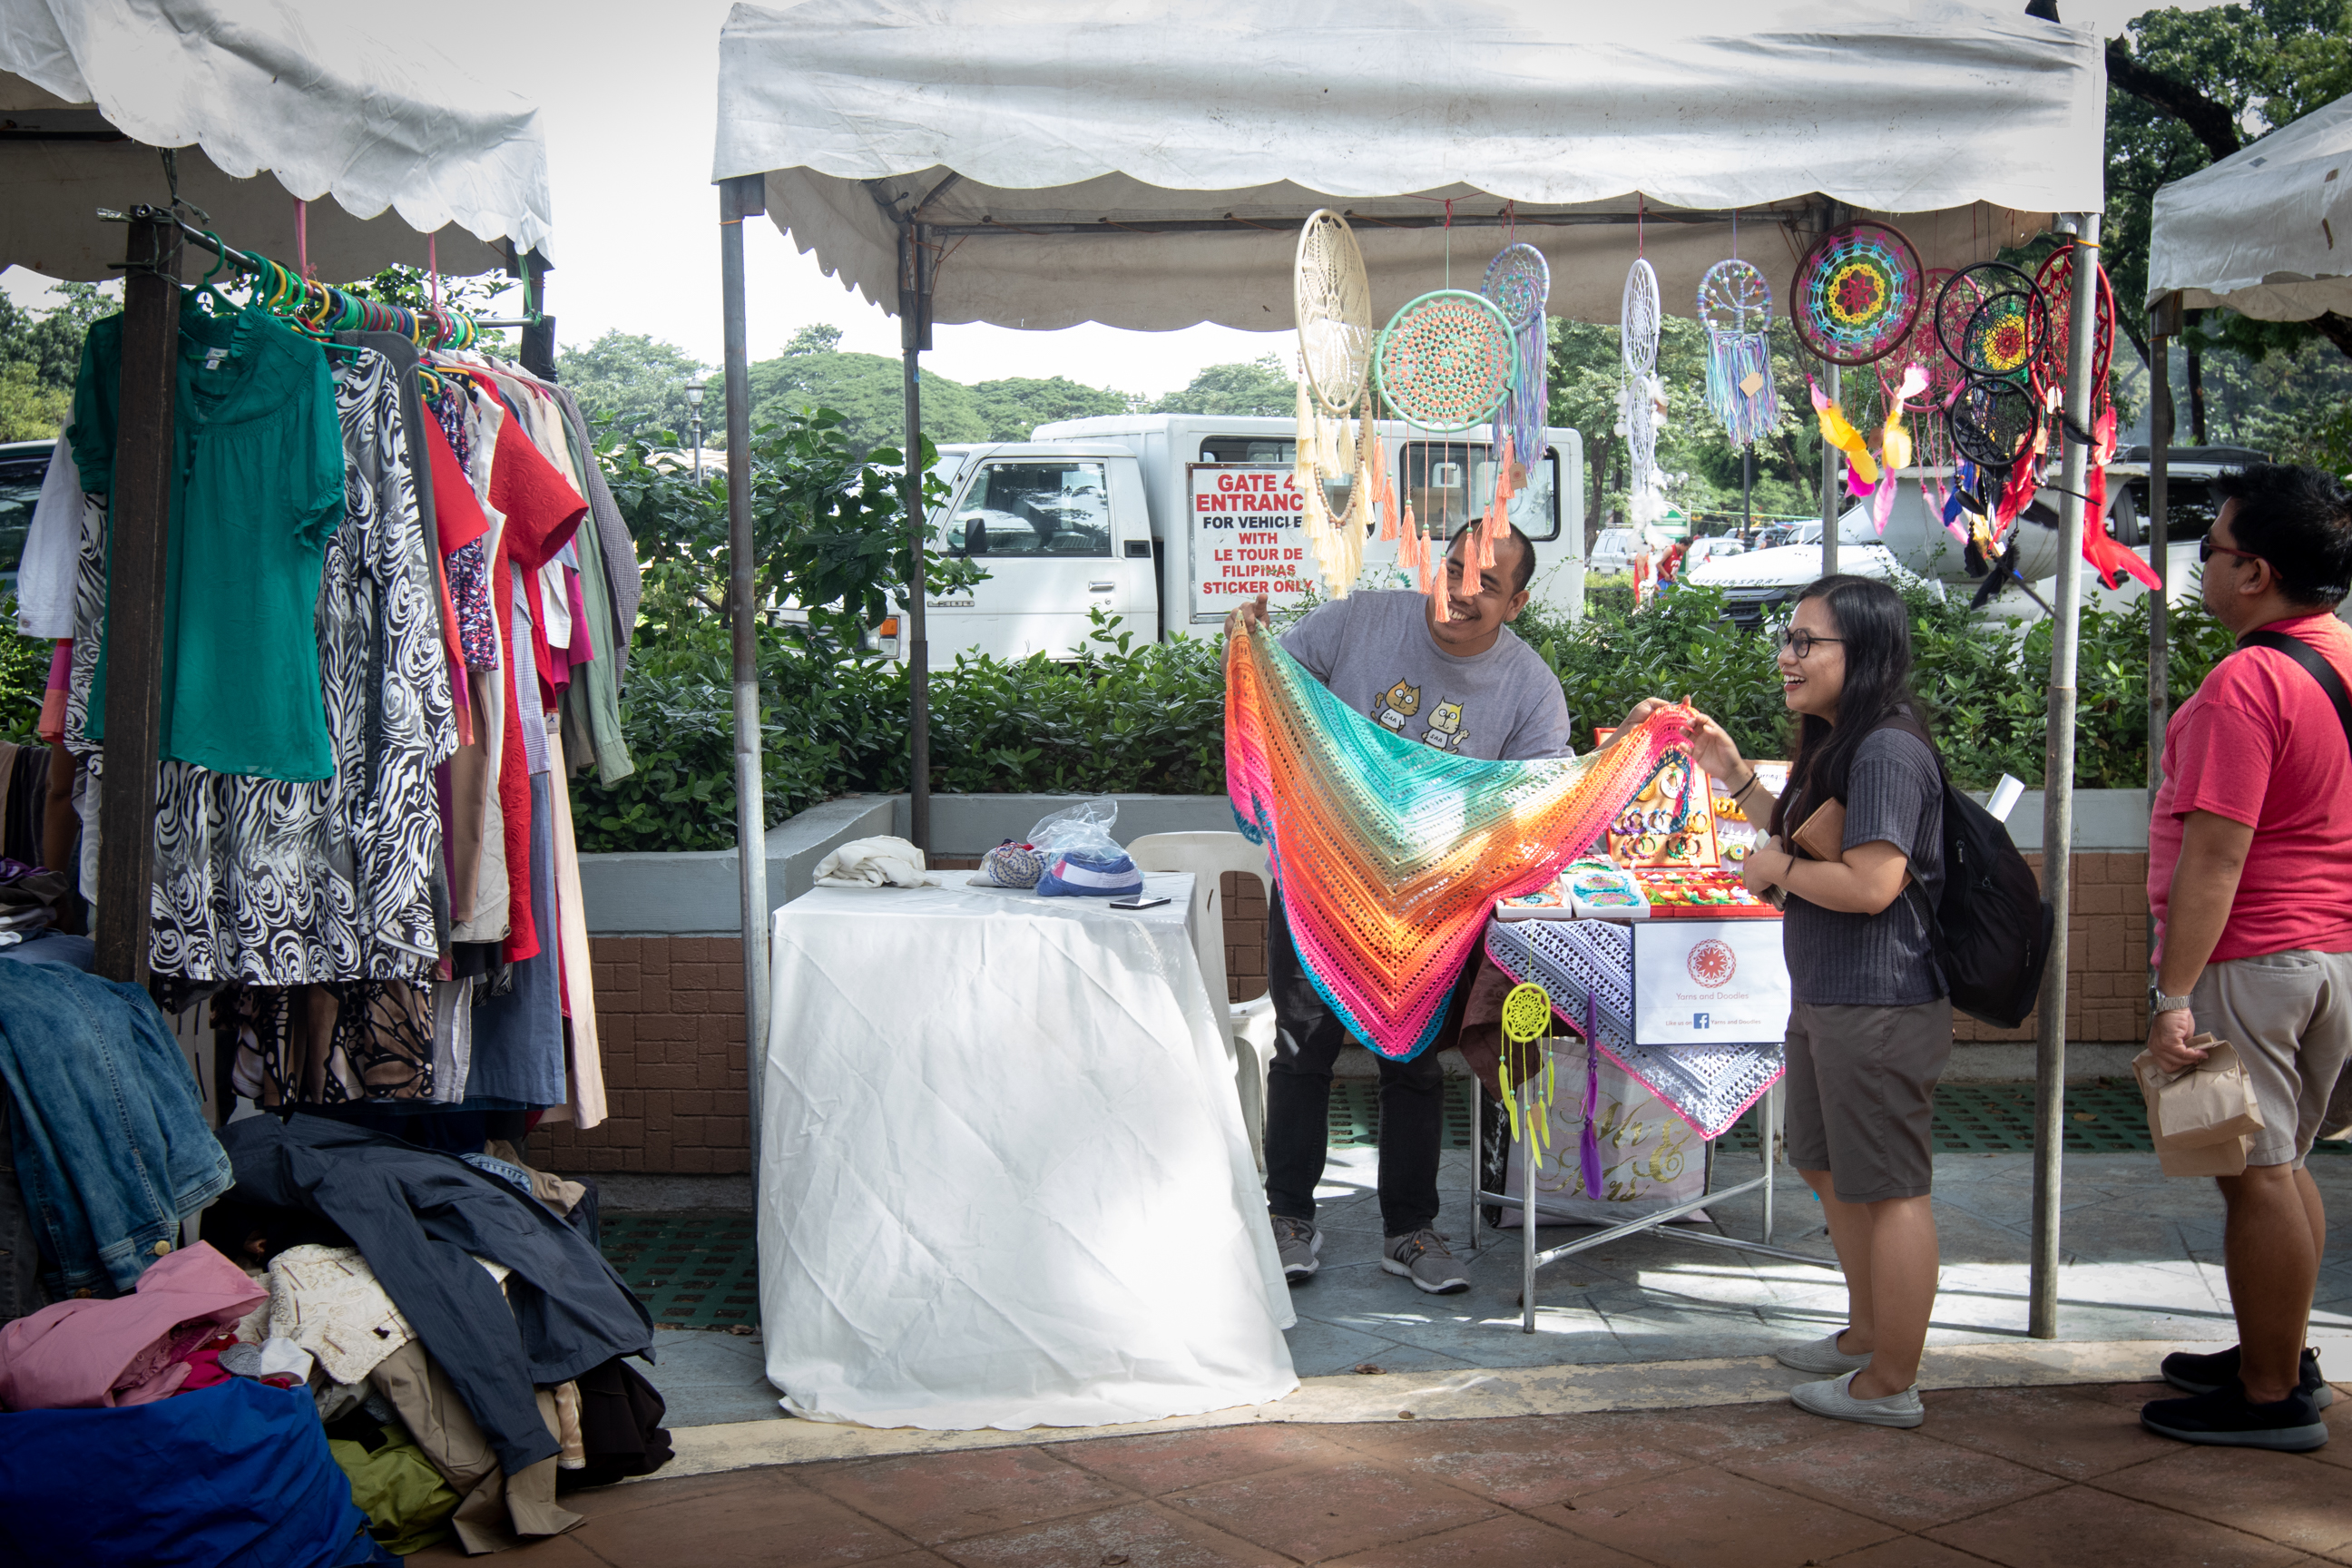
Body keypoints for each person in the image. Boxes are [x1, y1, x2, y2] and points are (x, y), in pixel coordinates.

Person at [1226, 523, 1574, 1293]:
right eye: (1454, 569)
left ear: (1515, 602)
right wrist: (1248, 643)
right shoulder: (1359, 621)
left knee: (1413, 1064)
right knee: (1301, 1052)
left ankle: (1410, 1232)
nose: (1461, 591)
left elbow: (1540, 798)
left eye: (1488, 583)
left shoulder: (1528, 687)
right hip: (1320, 883)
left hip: (1427, 907)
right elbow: (1272, 685)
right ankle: (1288, 1217)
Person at [1647, 573, 1949, 1429]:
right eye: (1789, 638)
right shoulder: (1837, 740)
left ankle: (1894, 1381)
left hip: (1881, 998)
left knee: (1889, 1186)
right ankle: (1865, 1334)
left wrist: (1774, 871)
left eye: (1807, 642)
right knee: (1825, 1164)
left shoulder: (1887, 749)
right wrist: (1735, 775)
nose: (1788, 655)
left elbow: (1871, 884)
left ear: (1865, 653)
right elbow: (1803, 832)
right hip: (1828, 994)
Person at [2137, 465, 2352, 1452]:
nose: (2203, 566)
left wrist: (2174, 993)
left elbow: (2217, 853)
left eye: (2212, 549)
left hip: (2253, 961)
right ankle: (2282, 1350)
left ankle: (2270, 1396)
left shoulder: (2248, 681)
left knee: (2251, 1172)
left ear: (2257, 571)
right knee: (2278, 1162)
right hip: (2326, 955)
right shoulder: (2343, 657)